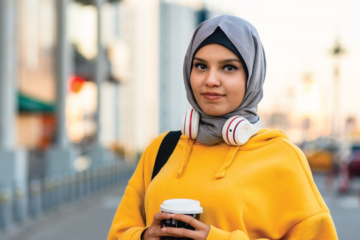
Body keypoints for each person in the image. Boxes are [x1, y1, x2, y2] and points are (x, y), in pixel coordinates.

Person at [107, 15, 338, 240]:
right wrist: (144, 236)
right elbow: (118, 233)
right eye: (200, 66)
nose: (211, 80)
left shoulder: (282, 157)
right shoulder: (161, 149)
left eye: (228, 67)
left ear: (252, 77)